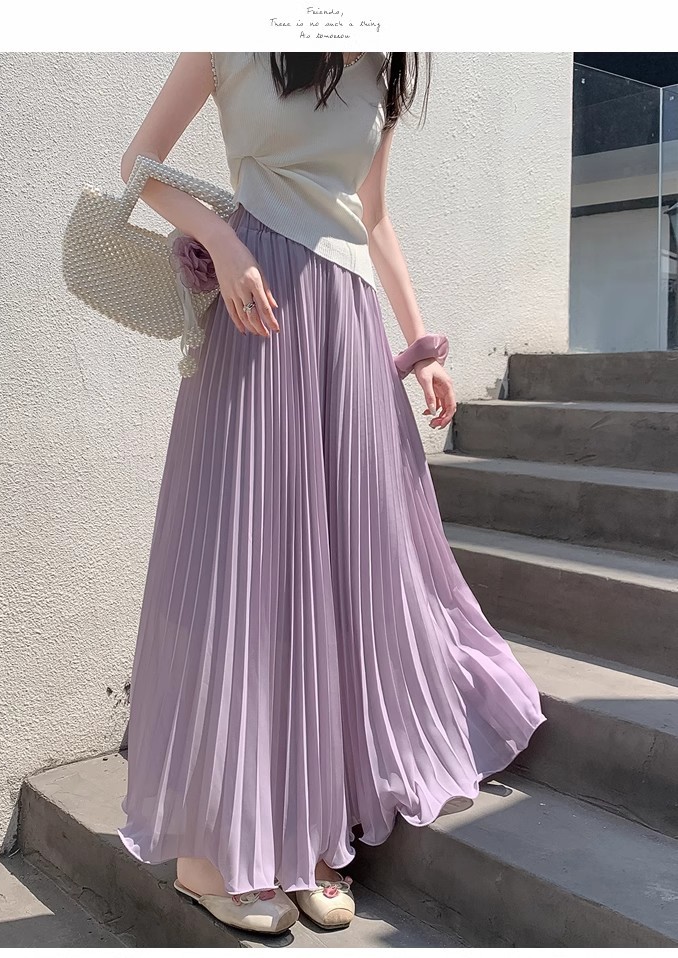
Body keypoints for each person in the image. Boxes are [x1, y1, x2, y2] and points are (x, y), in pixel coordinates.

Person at [116, 51, 546, 936]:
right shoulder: (233, 37)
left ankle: (309, 831)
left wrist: (421, 343)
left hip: (346, 327)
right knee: (244, 570)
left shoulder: (384, 64)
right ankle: (208, 856)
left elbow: (372, 216)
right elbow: (140, 163)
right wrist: (223, 240)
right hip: (257, 316)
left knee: (339, 575)